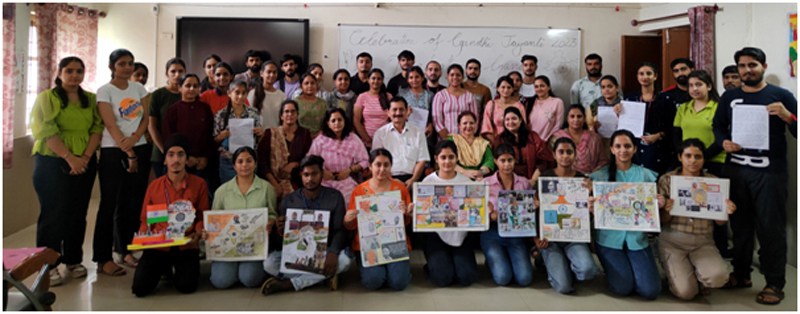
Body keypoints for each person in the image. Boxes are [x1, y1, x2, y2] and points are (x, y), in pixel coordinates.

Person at [712, 47, 797, 305]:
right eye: (742, 65)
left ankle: (774, 282)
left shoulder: (781, 95)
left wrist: (788, 116)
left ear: (764, 66)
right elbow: (718, 125)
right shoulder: (730, 96)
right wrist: (723, 141)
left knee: (770, 228)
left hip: (769, 172)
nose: (747, 70)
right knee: (740, 226)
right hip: (736, 169)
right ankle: (741, 273)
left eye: (753, 65)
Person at [31, 56, 103, 286]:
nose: (74, 75)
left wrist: (84, 158)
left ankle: (73, 260)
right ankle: (47, 265)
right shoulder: (47, 98)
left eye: (79, 71)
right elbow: (45, 129)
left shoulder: (90, 99)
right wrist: (70, 158)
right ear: (60, 72)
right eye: (69, 71)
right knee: (53, 215)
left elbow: (97, 128)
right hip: (53, 161)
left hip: (85, 161)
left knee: (77, 213)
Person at [655, 139, 737, 300]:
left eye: (698, 157)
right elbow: (664, 221)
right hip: (673, 241)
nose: (693, 161)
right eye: (688, 156)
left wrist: (727, 211)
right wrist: (667, 209)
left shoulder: (713, 182)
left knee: (719, 277)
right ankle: (678, 272)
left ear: (704, 159)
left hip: (702, 242)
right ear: (680, 157)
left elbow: (720, 222)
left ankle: (695, 273)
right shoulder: (667, 180)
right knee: (686, 293)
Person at [94, 49, 151, 277]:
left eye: (130, 63)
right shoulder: (104, 91)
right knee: (110, 205)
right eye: (122, 64)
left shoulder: (139, 89)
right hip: (113, 151)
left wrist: (136, 140)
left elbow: (145, 118)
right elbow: (110, 123)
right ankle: (103, 257)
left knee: (133, 203)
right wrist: (128, 151)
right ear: (112, 67)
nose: (127, 67)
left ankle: (125, 250)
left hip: (140, 146)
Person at [587, 130, 661, 300]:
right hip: (609, 239)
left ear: (635, 149)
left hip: (637, 239)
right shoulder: (599, 177)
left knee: (650, 291)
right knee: (622, 288)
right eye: (618, 146)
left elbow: (651, 209)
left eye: (627, 146)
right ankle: (617, 271)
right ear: (612, 149)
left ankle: (631, 271)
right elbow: (591, 208)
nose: (623, 150)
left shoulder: (646, 175)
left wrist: (659, 203)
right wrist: (591, 206)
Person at [132, 134, 209, 297]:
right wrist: (144, 236)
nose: (176, 159)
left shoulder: (198, 184)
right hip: (159, 244)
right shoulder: (154, 186)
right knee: (139, 289)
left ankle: (173, 268)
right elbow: (145, 218)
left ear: (187, 159)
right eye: (171, 155)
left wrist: (198, 231)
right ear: (165, 160)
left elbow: (202, 214)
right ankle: (164, 267)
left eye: (181, 154)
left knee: (187, 286)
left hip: (186, 242)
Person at [261, 155, 350, 294]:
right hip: (299, 254)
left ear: (322, 174)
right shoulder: (289, 200)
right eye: (306, 175)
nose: (310, 179)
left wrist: (333, 252)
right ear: (301, 175)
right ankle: (321, 278)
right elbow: (284, 242)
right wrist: (281, 231)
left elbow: (340, 230)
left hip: (325, 252)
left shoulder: (335, 197)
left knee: (345, 261)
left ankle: (290, 283)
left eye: (314, 174)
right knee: (269, 263)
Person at [532, 137, 599, 293]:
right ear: (554, 155)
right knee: (564, 287)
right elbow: (533, 211)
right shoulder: (545, 178)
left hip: (574, 238)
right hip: (550, 239)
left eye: (569, 152)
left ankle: (565, 265)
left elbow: (590, 213)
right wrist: (536, 237)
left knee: (588, 270)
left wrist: (591, 194)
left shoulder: (583, 181)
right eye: (561, 152)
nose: (565, 156)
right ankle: (546, 260)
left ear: (575, 155)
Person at [204, 146, 276, 289]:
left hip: (254, 246)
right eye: (240, 161)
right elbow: (214, 219)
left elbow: (273, 213)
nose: (245, 165)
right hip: (227, 246)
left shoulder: (267, 188)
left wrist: (271, 221)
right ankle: (234, 270)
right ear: (234, 166)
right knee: (221, 281)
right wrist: (208, 232)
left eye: (249, 161)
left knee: (250, 280)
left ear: (255, 164)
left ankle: (245, 270)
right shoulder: (222, 191)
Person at [345, 149, 414, 291]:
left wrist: (406, 214)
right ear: (370, 167)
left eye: (386, 165)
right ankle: (372, 268)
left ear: (391, 167)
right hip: (369, 245)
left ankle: (394, 270)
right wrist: (347, 219)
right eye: (378, 165)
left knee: (399, 283)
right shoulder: (359, 190)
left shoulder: (400, 189)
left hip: (395, 243)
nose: (382, 169)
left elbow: (405, 223)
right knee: (373, 282)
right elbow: (350, 225)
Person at [419, 140, 479, 287]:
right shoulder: (427, 182)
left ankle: (454, 262)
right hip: (436, 235)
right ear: (436, 159)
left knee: (467, 277)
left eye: (451, 157)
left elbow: (475, 209)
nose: (447, 161)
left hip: (460, 235)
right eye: (443, 157)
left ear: (457, 158)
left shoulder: (467, 181)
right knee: (443, 278)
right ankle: (434, 264)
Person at [480, 143, 534, 287]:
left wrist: (533, 206)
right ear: (496, 161)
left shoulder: (523, 183)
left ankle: (509, 257)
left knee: (524, 279)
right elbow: (477, 214)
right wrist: (489, 213)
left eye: (510, 160)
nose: (506, 165)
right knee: (503, 278)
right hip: (492, 233)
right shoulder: (485, 184)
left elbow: (528, 211)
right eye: (502, 160)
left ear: (515, 161)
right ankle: (494, 258)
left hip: (516, 233)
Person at [307, 107, 369, 207]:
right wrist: (323, 172)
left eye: (340, 119)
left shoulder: (353, 138)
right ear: (328, 123)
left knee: (352, 200)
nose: (337, 123)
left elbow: (365, 161)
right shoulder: (321, 140)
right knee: (325, 203)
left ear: (344, 121)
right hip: (325, 180)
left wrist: (349, 170)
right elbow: (310, 161)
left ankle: (346, 222)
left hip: (346, 179)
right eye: (333, 120)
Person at [162, 74, 215, 188]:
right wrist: (186, 158)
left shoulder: (205, 108)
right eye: (188, 85)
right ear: (180, 88)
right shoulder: (173, 110)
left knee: (199, 195)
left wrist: (204, 157)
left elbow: (210, 135)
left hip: (201, 163)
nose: (192, 89)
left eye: (195, 86)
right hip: (179, 162)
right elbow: (168, 138)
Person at [673, 70, 725, 176]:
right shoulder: (683, 108)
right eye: (691, 85)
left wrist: (702, 156)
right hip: (689, 163)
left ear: (709, 86)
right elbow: (676, 135)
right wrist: (686, 156)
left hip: (714, 162)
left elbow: (723, 137)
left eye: (699, 85)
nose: (694, 89)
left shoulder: (719, 108)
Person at [622, 62, 670, 176]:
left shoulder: (665, 98)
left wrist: (658, 136)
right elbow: (624, 124)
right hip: (635, 145)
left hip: (658, 146)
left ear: (655, 76)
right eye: (641, 74)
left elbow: (671, 125)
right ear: (637, 77)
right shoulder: (630, 98)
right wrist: (619, 112)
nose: (645, 77)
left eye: (649, 73)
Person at [257, 100, 313, 199]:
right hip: (272, 180)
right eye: (286, 111)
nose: (289, 114)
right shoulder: (270, 134)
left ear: (297, 115)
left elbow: (308, 159)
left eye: (293, 111)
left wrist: (293, 165)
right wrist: (274, 183)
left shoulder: (305, 134)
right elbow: (262, 163)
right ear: (281, 116)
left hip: (298, 180)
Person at [372, 97, 430, 191]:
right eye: (394, 110)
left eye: (401, 109)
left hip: (412, 179)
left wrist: (413, 180)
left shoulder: (418, 132)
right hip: (387, 179)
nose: (398, 113)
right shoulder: (380, 134)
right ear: (388, 112)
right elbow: (377, 162)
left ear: (407, 111)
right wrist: (390, 180)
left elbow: (422, 160)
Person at [213, 80, 264, 184]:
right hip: (228, 160)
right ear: (229, 93)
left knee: (250, 190)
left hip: (249, 160)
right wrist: (221, 136)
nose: (240, 96)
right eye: (237, 92)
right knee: (229, 192)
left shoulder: (253, 113)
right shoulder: (221, 114)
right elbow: (214, 139)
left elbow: (259, 140)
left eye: (243, 93)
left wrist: (260, 133)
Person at [492, 107, 554, 186]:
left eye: (514, 118)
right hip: (508, 182)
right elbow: (498, 163)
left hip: (532, 180)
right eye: (507, 119)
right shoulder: (499, 140)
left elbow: (543, 160)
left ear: (520, 120)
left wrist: (533, 180)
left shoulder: (533, 137)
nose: (510, 122)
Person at [653, 58, 695, 170]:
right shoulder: (666, 95)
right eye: (676, 71)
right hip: (671, 147)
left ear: (692, 69)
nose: (680, 73)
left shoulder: (699, 94)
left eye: (683, 69)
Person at [148, 58, 186, 178]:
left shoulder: (189, 95)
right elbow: (152, 126)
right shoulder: (158, 95)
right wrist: (165, 152)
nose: (177, 75)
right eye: (173, 71)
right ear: (166, 74)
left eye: (181, 71)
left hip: (184, 154)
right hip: (161, 153)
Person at [549, 104, 608, 173]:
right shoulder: (556, 137)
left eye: (579, 116)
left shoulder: (594, 138)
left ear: (584, 119)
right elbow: (550, 161)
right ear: (567, 119)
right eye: (572, 116)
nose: (576, 119)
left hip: (589, 178)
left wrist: (595, 172)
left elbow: (603, 161)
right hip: (564, 177)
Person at [432, 64, 478, 140]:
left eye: (458, 75)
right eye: (452, 75)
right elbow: (436, 120)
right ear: (447, 77)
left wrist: (467, 138)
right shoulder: (440, 95)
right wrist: (447, 138)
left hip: (466, 139)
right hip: (446, 139)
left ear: (463, 77)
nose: (455, 77)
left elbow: (475, 119)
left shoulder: (470, 96)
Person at [450, 111, 493, 181]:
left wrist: (480, 172)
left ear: (476, 125)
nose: (468, 126)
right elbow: (448, 161)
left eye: (471, 123)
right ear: (459, 126)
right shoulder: (452, 140)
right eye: (465, 123)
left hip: (478, 178)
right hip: (456, 177)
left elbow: (489, 161)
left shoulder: (483, 143)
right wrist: (464, 172)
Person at [353, 68, 391, 147]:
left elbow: (392, 119)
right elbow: (356, 121)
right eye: (373, 78)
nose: (376, 81)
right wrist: (368, 139)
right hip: (367, 142)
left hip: (386, 140)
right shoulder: (362, 97)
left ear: (382, 80)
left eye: (379, 79)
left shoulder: (388, 97)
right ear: (368, 80)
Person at [396, 66, 435, 139]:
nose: (414, 80)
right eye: (411, 77)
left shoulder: (430, 95)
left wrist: (430, 125)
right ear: (407, 80)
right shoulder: (402, 94)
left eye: (417, 77)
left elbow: (433, 114)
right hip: (406, 131)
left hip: (425, 132)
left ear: (422, 78)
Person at [248, 61, 285, 129]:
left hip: (275, 135)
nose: (272, 75)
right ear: (261, 73)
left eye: (274, 72)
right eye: (269, 72)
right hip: (257, 135)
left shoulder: (281, 95)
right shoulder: (253, 93)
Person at [527, 75, 564, 142]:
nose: (539, 89)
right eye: (536, 87)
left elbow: (558, 125)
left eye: (542, 86)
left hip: (549, 141)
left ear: (549, 87)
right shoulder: (530, 102)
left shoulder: (557, 102)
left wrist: (547, 139)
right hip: (532, 142)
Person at [292, 72, 329, 137]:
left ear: (316, 84)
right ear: (301, 86)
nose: (310, 86)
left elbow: (326, 122)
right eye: (306, 83)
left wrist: (317, 136)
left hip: (319, 138)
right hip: (299, 138)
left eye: (312, 83)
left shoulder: (323, 103)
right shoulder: (295, 102)